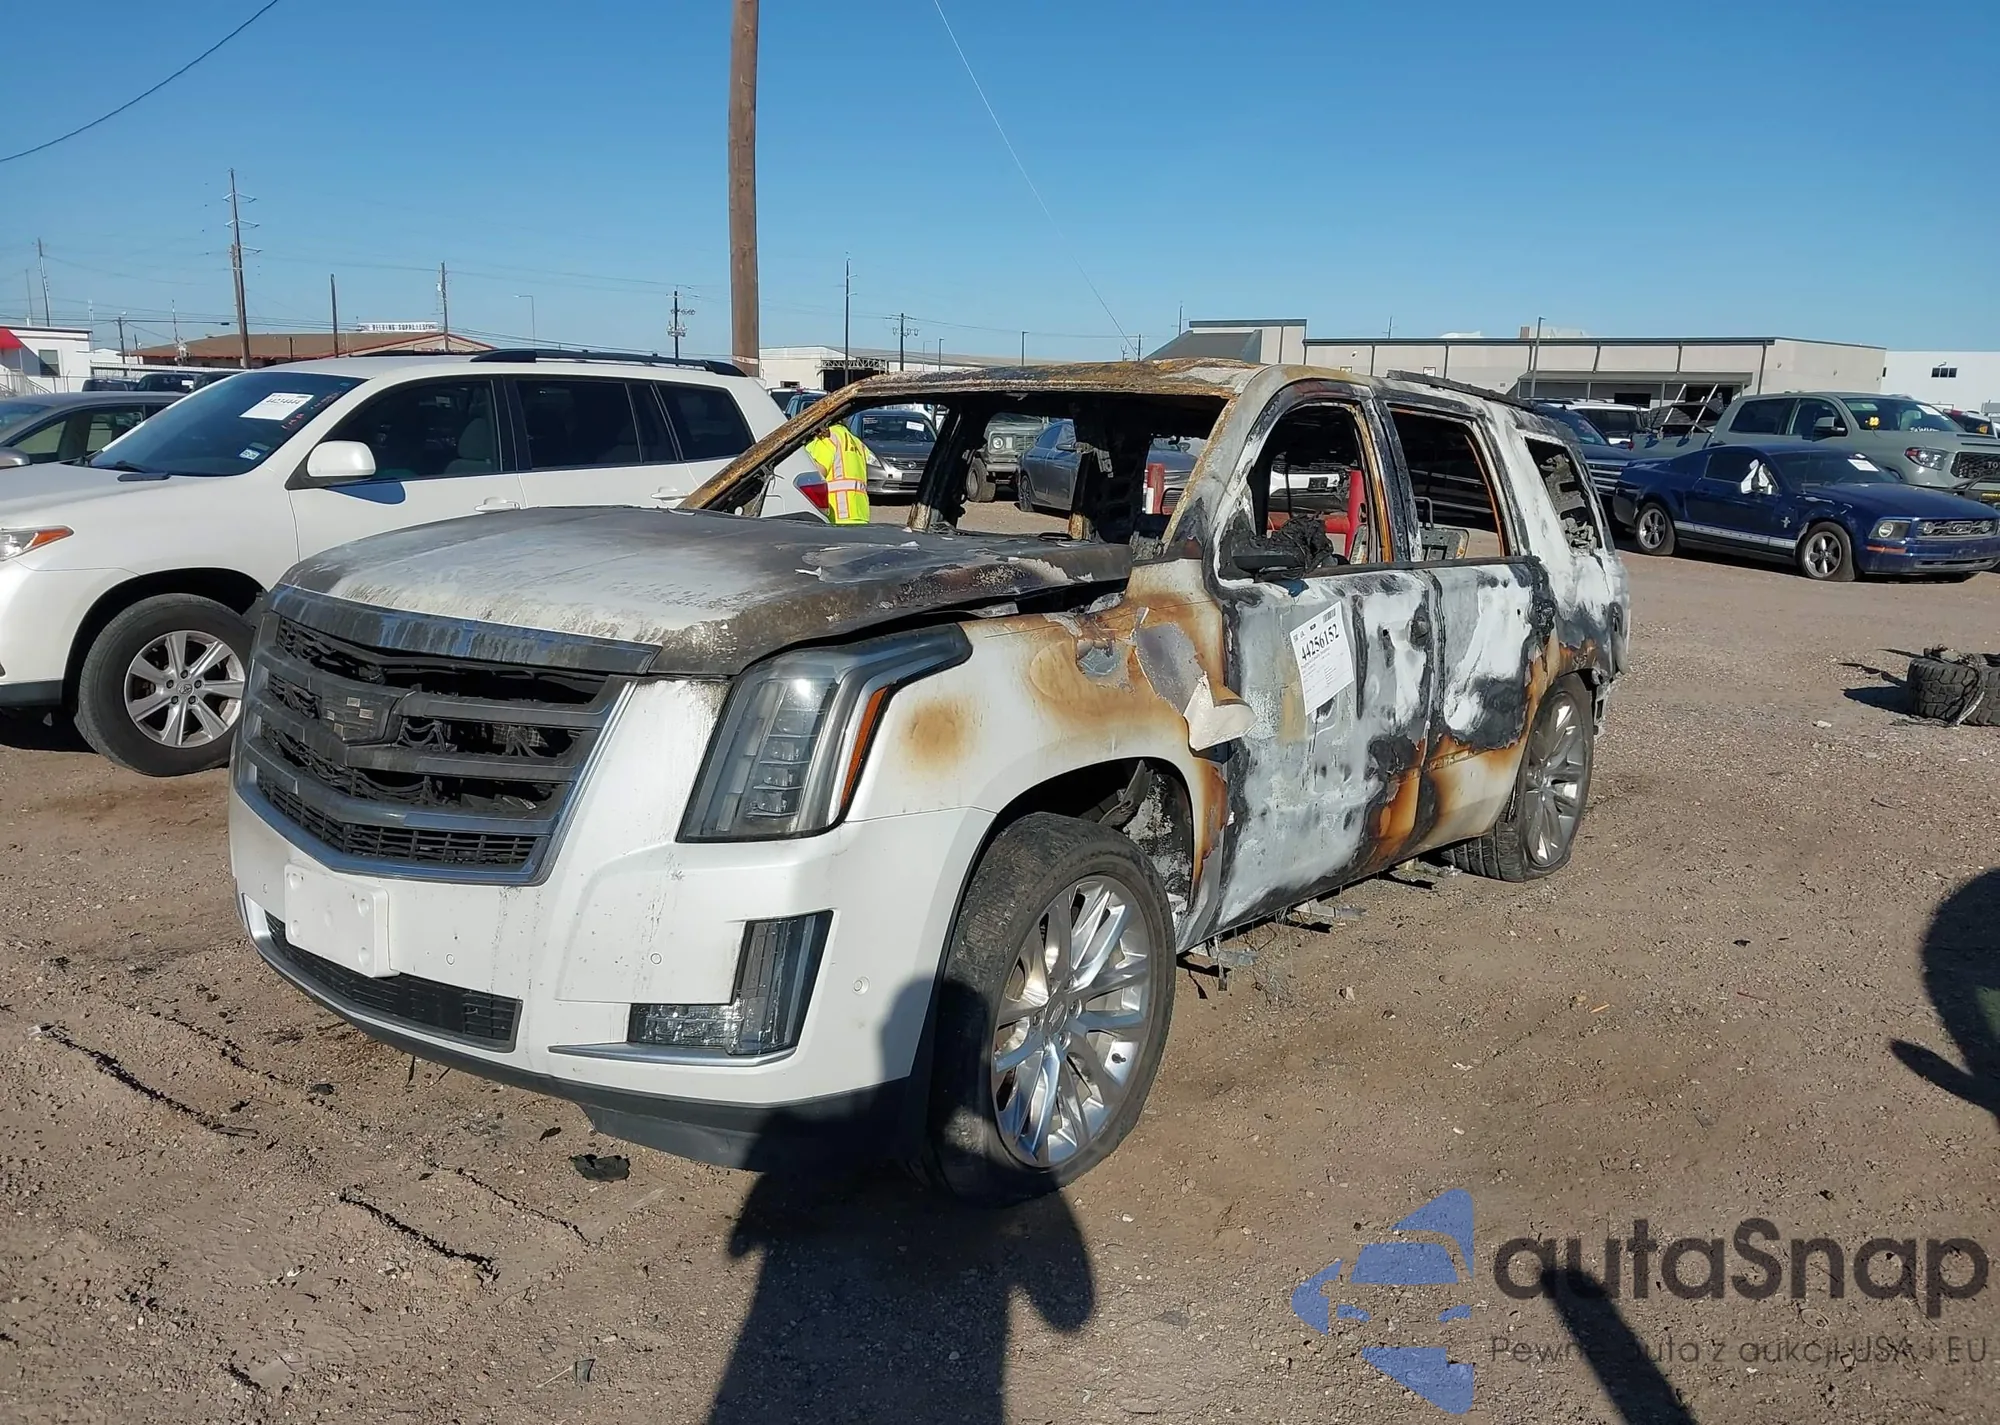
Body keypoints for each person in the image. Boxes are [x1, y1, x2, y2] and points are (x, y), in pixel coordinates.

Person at [806, 420, 871, 525]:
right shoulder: (856, 441)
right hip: (860, 512)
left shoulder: (827, 438)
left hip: (838, 512)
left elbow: (818, 472)